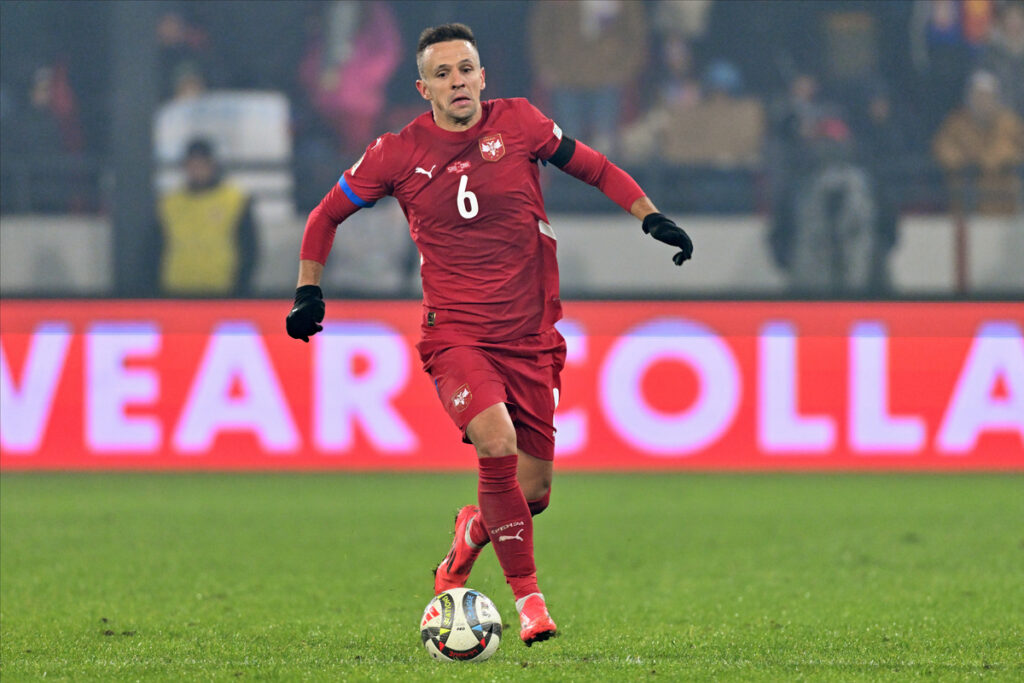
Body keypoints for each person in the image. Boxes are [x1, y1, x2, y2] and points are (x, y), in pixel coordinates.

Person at [285, 23, 693, 647]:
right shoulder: (395, 153)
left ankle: (470, 536)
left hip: (531, 335)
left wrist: (650, 216)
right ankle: (531, 604)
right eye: (443, 74)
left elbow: (596, 167)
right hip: (456, 335)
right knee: (495, 444)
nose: (457, 82)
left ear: (483, 76)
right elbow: (324, 215)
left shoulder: (522, 123)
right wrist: (308, 289)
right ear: (424, 88)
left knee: (534, 494)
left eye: (466, 69)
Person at [155, 138, 258, 295]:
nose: (197, 170)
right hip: (176, 289)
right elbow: (154, 248)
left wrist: (241, 286)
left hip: (222, 289)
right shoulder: (169, 204)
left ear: (213, 166)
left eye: (202, 165)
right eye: (192, 165)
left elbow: (249, 247)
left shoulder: (234, 200)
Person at [933, 69, 1024, 215]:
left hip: (1004, 206)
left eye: (987, 96)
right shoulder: (956, 123)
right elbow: (942, 149)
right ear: (969, 97)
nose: (982, 101)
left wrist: (997, 158)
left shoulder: (1010, 123)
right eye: (978, 96)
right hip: (965, 206)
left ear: (996, 98)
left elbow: (1018, 149)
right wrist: (964, 161)